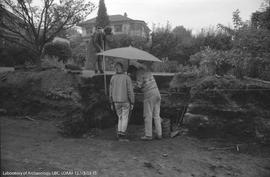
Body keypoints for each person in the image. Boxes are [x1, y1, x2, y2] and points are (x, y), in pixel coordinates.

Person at [109, 62, 135, 141]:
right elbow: (130, 91)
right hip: (125, 101)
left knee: (120, 117)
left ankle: (119, 134)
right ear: (122, 68)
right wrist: (132, 102)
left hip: (116, 101)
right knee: (124, 117)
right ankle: (122, 135)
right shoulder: (127, 77)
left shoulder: (112, 78)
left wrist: (111, 102)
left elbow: (110, 91)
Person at [136, 67, 162, 140]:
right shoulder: (147, 70)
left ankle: (148, 135)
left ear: (132, 71)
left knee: (148, 115)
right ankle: (159, 134)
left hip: (149, 94)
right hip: (157, 93)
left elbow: (138, 86)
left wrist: (134, 85)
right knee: (156, 115)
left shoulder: (138, 73)